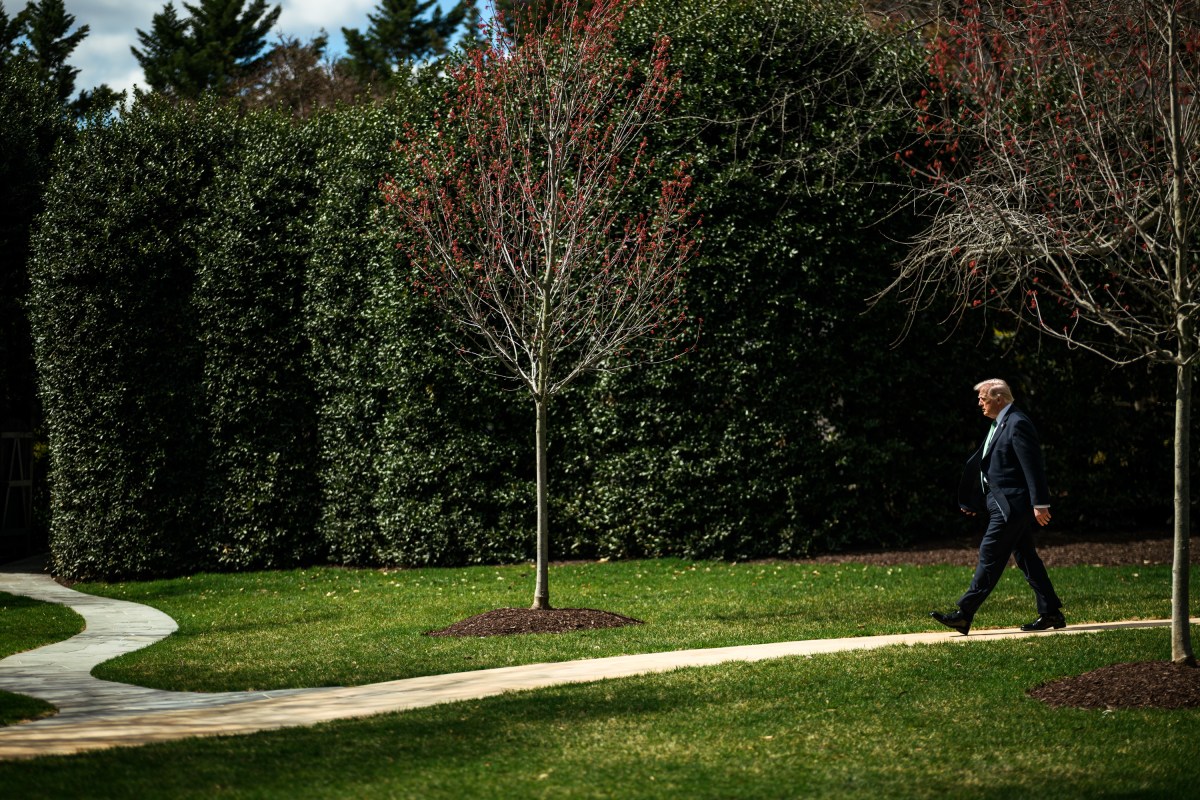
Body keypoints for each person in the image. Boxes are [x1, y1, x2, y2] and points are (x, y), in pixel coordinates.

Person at [930, 379, 1065, 635]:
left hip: (1011, 504)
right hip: (1000, 502)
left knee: (990, 551)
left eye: (983, 398)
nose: (979, 403)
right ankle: (1051, 612)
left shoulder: (1017, 423)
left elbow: (1032, 465)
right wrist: (975, 501)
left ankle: (964, 613)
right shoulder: (999, 424)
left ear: (999, 399)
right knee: (1027, 558)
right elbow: (989, 467)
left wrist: (1040, 503)